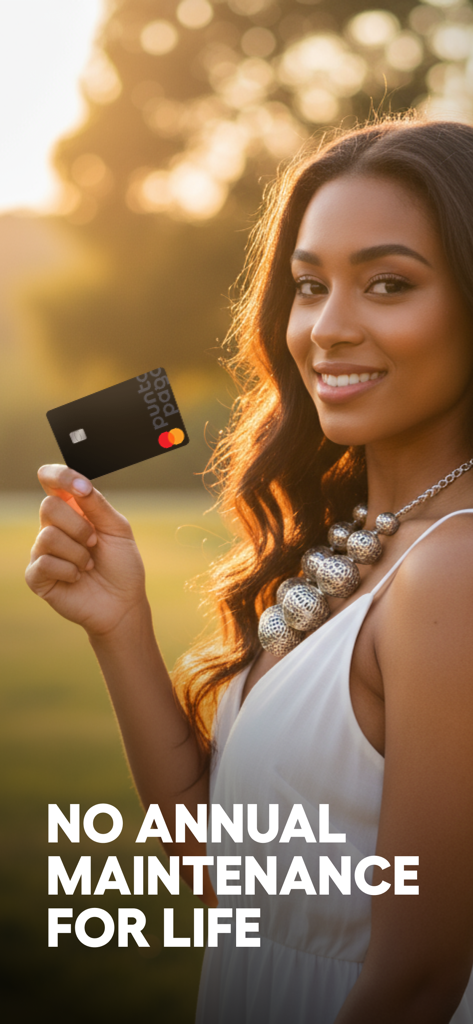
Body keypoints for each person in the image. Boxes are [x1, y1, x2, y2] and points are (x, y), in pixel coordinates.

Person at [26, 116, 473, 1023]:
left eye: (388, 284)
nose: (327, 328)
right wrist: (120, 626)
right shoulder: (357, 545)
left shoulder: (451, 575)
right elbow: (224, 878)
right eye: (309, 287)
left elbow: (416, 985)